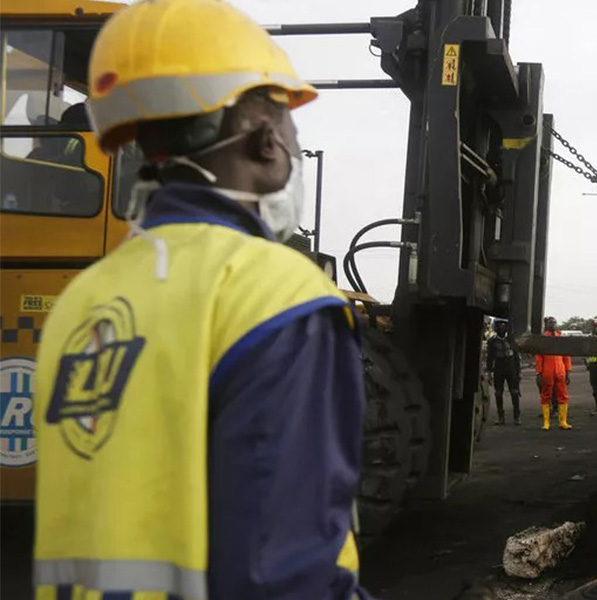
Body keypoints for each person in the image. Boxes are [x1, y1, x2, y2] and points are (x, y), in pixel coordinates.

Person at [30, 1, 367, 598]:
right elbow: (285, 577)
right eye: (290, 125)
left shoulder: (82, 301)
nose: (293, 144)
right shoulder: (277, 295)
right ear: (264, 139)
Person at [535, 316, 572, 430]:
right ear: (546, 324)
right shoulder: (543, 339)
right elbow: (539, 357)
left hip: (560, 370)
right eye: (551, 323)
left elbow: (566, 356)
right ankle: (546, 423)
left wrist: (568, 372)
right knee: (546, 395)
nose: (553, 324)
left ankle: (563, 422)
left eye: (555, 322)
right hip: (547, 370)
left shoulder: (561, 338)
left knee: (563, 396)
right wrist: (539, 373)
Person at [487, 318, 522, 425]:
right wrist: (489, 372)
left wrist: (518, 371)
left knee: (514, 392)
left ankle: (517, 417)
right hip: (498, 368)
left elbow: (516, 357)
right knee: (498, 393)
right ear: (495, 326)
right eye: (499, 324)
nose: (502, 326)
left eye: (504, 324)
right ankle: (501, 417)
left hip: (511, 368)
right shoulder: (492, 341)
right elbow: (490, 357)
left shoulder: (512, 340)